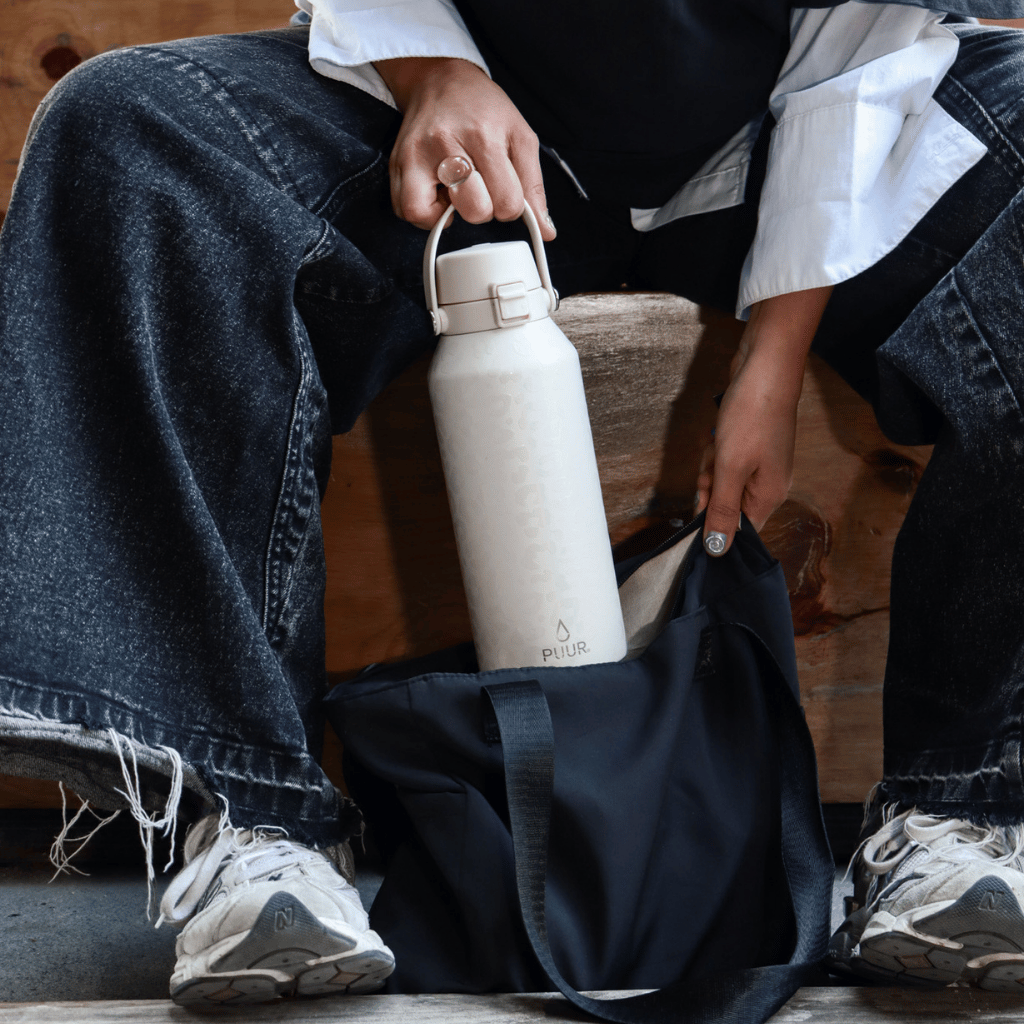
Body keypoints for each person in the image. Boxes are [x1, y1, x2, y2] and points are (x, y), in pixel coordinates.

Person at [2, 0, 1024, 1006]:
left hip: (794, 134)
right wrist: (430, 72)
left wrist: (775, 350)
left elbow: (858, 36)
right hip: (464, 133)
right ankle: (256, 823)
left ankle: (963, 813)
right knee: (129, 124)